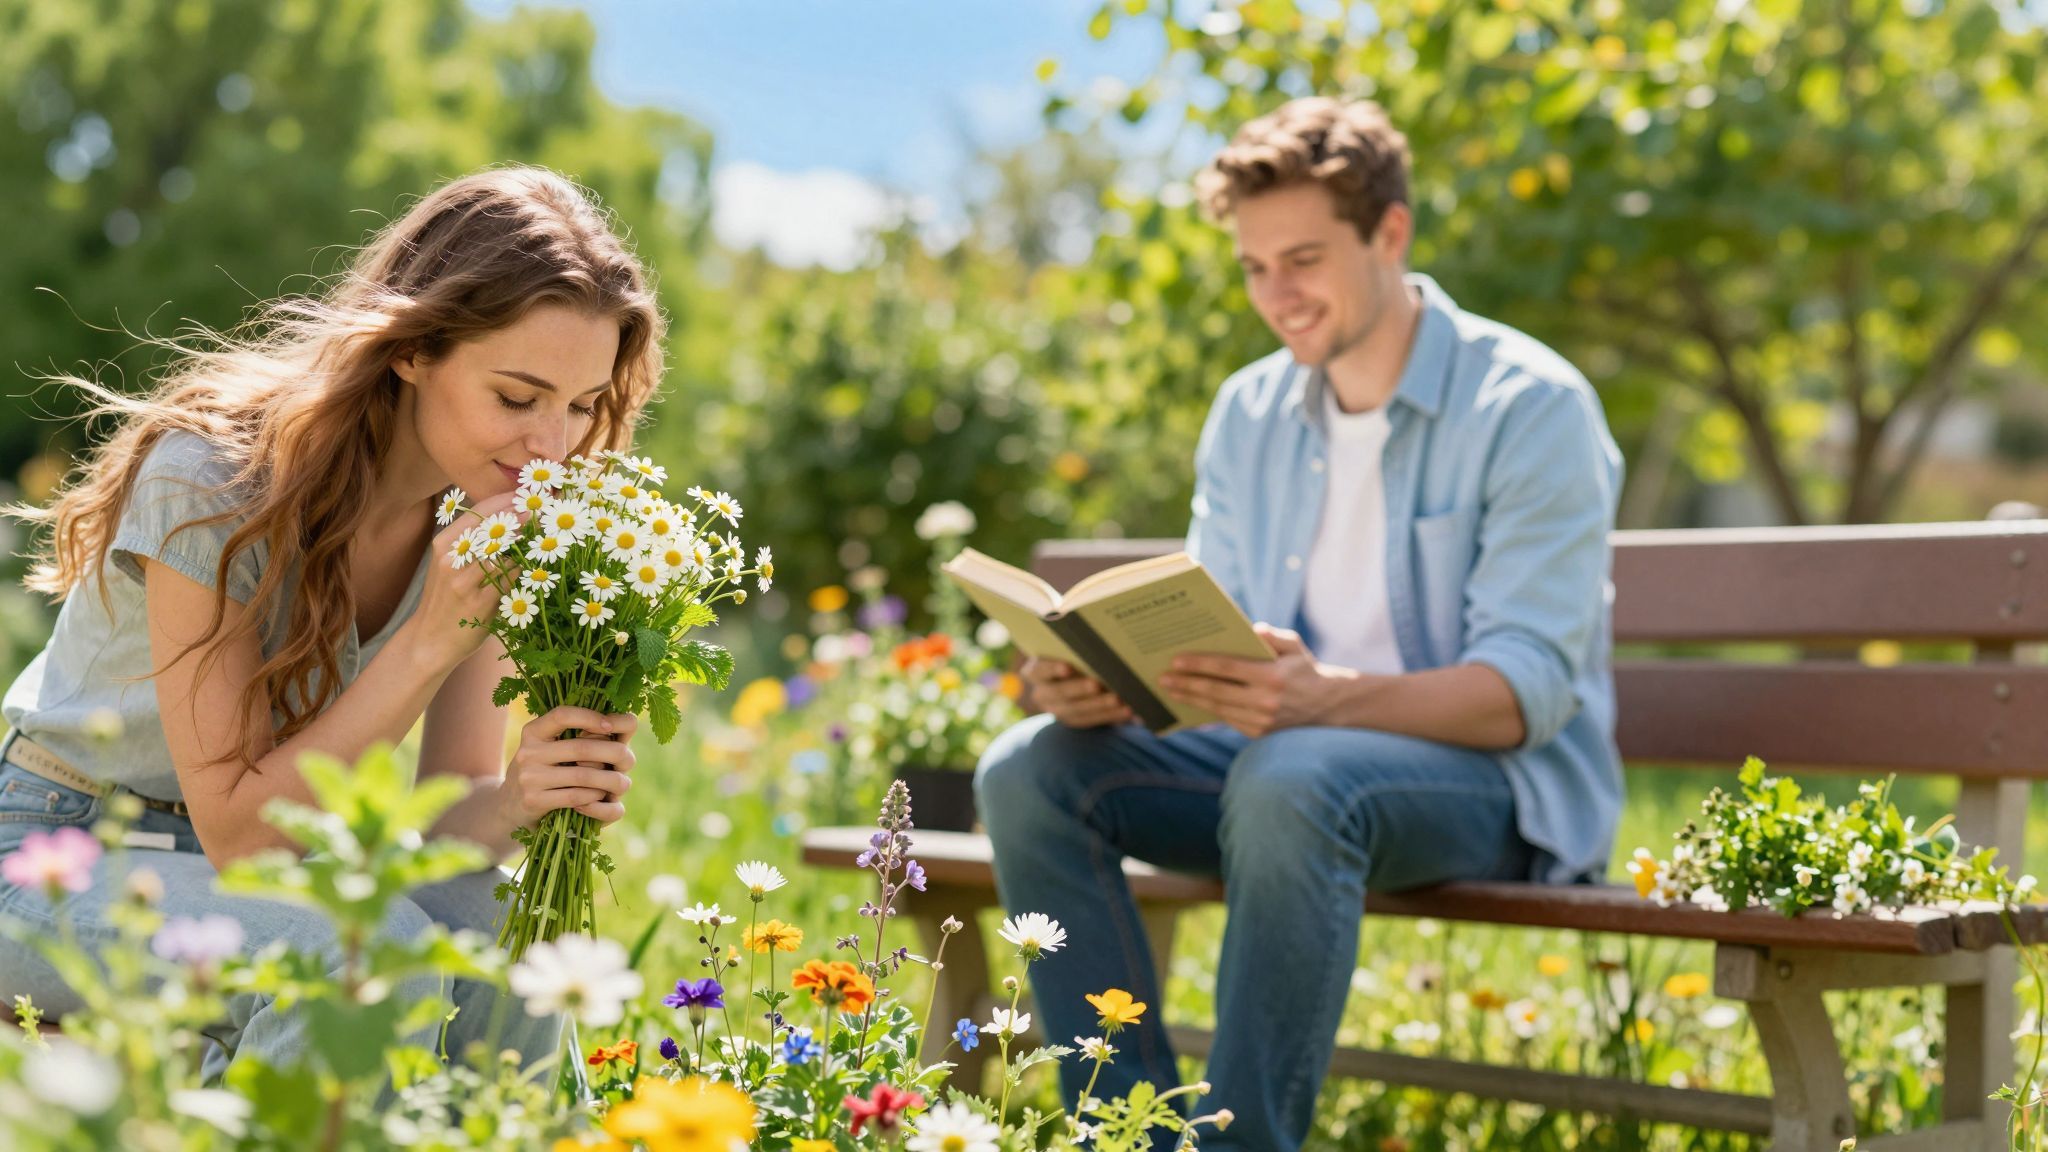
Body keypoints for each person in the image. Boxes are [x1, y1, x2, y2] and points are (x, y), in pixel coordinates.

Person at [975, 97, 1625, 1151]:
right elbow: (1211, 639)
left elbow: (1524, 692)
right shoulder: (1248, 413)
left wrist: (1322, 700)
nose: (1277, 296)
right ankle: (1128, 1138)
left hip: (1488, 792)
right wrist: (1104, 682)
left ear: (1390, 234)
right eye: (1252, 267)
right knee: (1028, 769)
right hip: (1280, 775)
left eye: (1305, 259)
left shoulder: (1529, 407)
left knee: (1295, 776)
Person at [0, 166, 663, 1084]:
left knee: (507, 944)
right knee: (357, 959)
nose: (551, 445)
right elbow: (240, 835)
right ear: (411, 350)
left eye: (583, 405)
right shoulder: (211, 475)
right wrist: (430, 638)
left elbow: (444, 805)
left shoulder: (481, 518)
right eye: (517, 397)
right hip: (59, 853)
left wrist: (516, 797)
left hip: (281, 866)